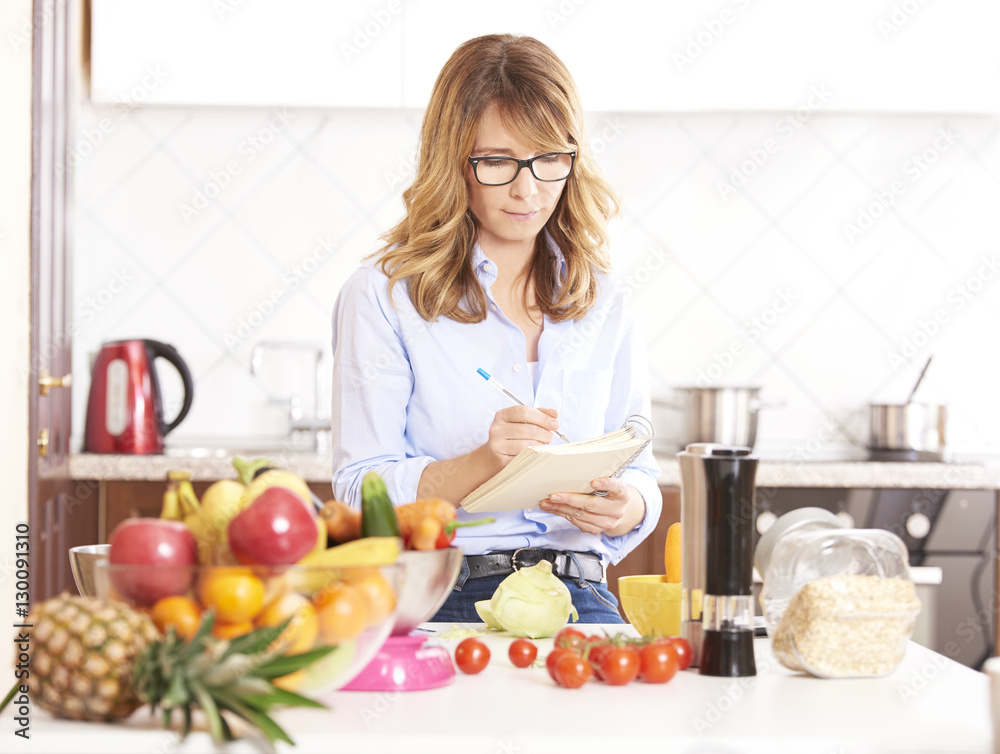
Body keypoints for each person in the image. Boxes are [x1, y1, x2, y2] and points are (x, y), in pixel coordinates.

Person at [330, 34, 660, 623]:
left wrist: (631, 505)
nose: (528, 189)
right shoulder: (384, 296)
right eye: (499, 162)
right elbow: (359, 492)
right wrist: (484, 462)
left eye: (550, 158)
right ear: (453, 161)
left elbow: (638, 463)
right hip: (447, 593)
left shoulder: (605, 300)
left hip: (582, 596)